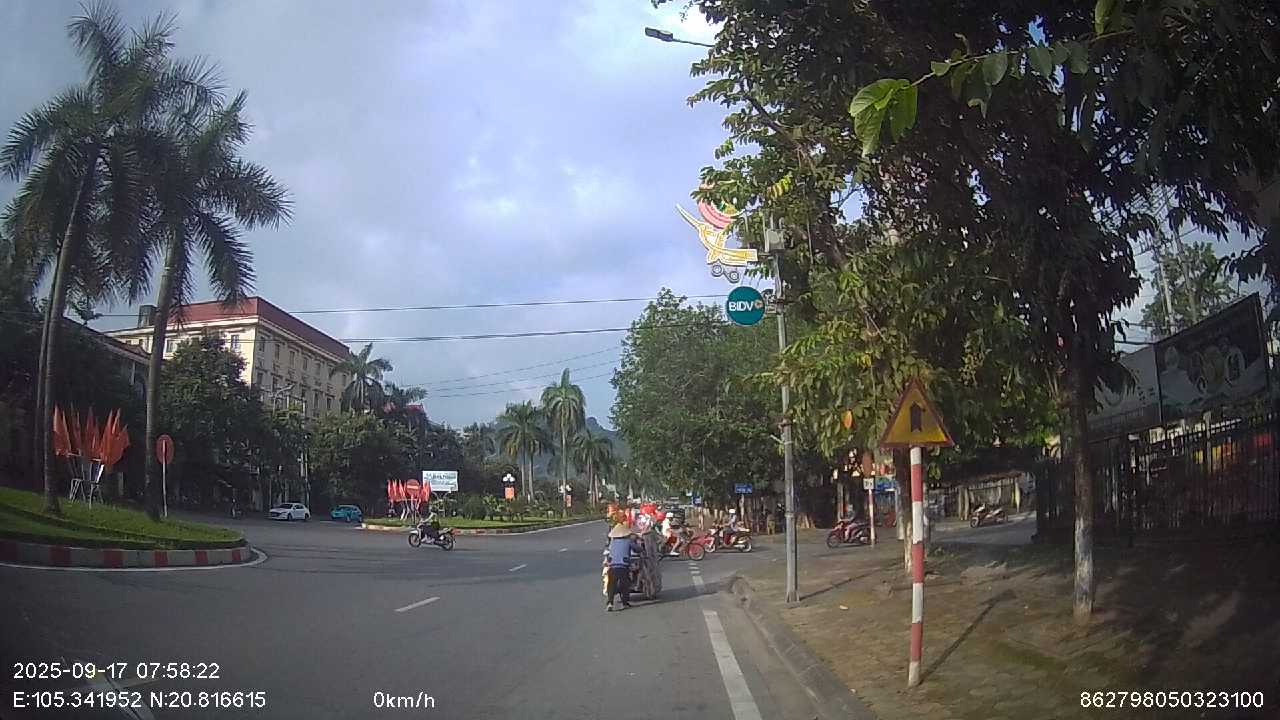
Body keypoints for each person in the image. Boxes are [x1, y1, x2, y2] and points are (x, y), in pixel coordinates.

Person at [605, 523, 637, 611]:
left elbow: (609, 551)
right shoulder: (628, 541)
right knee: (625, 584)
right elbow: (637, 549)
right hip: (623, 566)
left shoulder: (613, 542)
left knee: (611, 584)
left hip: (612, 566)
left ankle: (610, 603)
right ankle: (625, 603)